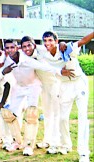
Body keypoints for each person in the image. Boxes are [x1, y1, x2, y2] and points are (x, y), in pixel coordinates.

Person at [0, 39, 73, 156]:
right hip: (18, 88)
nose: (10, 50)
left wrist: (59, 71)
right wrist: (3, 71)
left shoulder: (26, 59)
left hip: (33, 87)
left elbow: (43, 66)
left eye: (12, 47)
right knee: (9, 114)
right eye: (7, 48)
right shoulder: (6, 60)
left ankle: (29, 145)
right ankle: (17, 141)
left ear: (17, 47)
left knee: (31, 114)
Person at [40, 31, 93, 162]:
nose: (47, 43)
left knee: (82, 116)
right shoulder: (43, 54)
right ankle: (66, 145)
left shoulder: (66, 48)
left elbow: (83, 40)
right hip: (64, 86)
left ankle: (83, 153)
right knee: (62, 118)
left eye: (50, 40)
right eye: (45, 41)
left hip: (79, 83)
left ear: (56, 41)